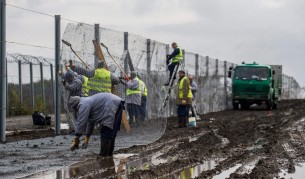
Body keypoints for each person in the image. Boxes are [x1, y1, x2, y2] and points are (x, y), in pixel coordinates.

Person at [70, 61, 119, 147]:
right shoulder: (109, 74)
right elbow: (116, 81)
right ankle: (105, 142)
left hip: (94, 98)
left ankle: (87, 140)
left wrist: (74, 67)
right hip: (105, 100)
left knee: (91, 121)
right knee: (104, 122)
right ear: (104, 66)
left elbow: (83, 71)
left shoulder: (93, 72)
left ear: (97, 66)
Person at [69, 92, 124, 157]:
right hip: (116, 103)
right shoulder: (87, 102)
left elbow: (81, 122)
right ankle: (109, 155)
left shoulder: (83, 104)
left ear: (75, 105)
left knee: (106, 131)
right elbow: (90, 122)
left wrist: (77, 137)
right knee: (111, 132)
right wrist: (87, 137)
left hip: (110, 105)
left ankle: (103, 156)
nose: (75, 110)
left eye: (74, 108)